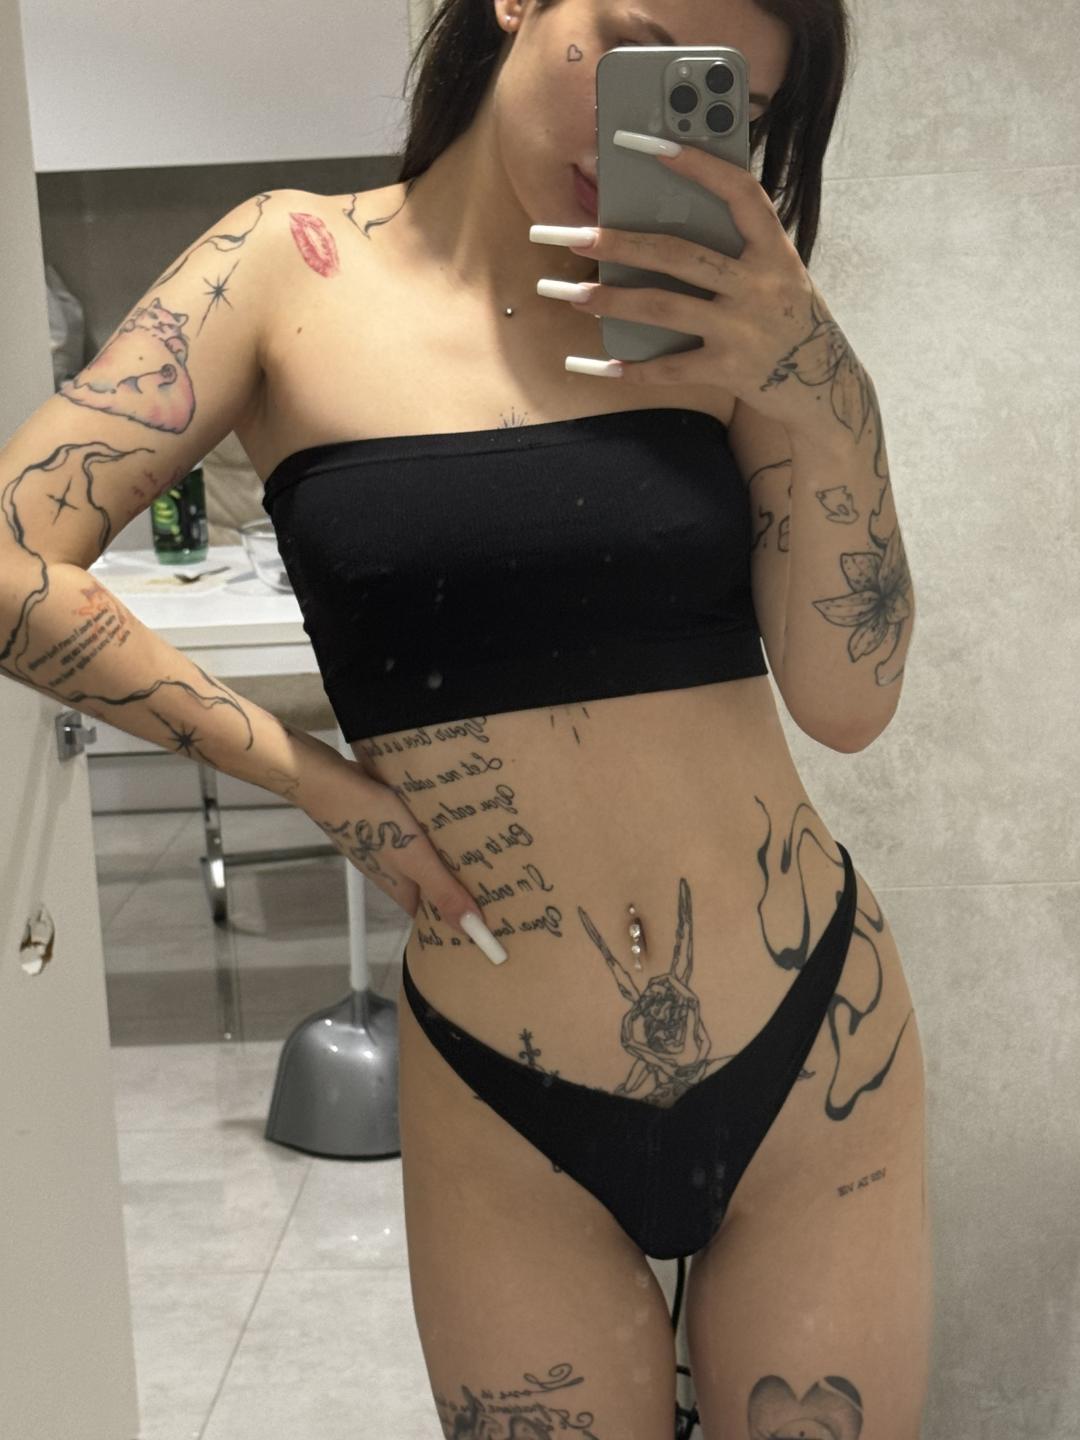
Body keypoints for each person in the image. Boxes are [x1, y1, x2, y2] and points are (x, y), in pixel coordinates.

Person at [0, 1, 933, 1435]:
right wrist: (320, 787)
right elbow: (14, 567)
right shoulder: (282, 270)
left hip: (811, 1041)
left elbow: (849, 699)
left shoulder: (721, 311)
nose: (639, 117)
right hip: (506, 1095)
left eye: (721, 103)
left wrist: (812, 370)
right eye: (627, 39)